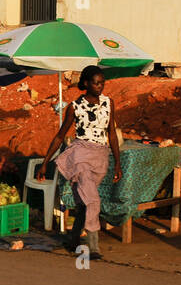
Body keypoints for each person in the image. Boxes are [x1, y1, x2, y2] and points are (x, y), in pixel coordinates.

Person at [36, 66, 122, 259]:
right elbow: (60, 137)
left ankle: (73, 239)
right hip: (81, 155)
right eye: (96, 82)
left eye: (102, 83)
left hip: (100, 157)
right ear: (85, 84)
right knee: (93, 200)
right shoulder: (75, 107)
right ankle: (93, 246)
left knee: (84, 202)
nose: (100, 86)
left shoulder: (109, 103)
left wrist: (117, 163)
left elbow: (112, 135)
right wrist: (45, 162)